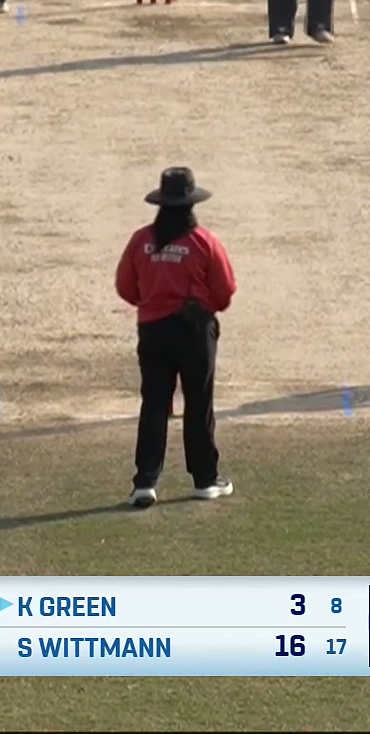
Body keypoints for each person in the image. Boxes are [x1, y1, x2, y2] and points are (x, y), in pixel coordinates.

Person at [115, 168, 238, 508]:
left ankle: (145, 482)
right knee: (199, 402)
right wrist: (206, 306)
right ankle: (205, 479)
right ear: (191, 205)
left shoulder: (141, 241)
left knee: (155, 402)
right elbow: (225, 291)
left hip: (153, 330)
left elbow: (125, 286)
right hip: (195, 330)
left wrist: (152, 302)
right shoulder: (204, 241)